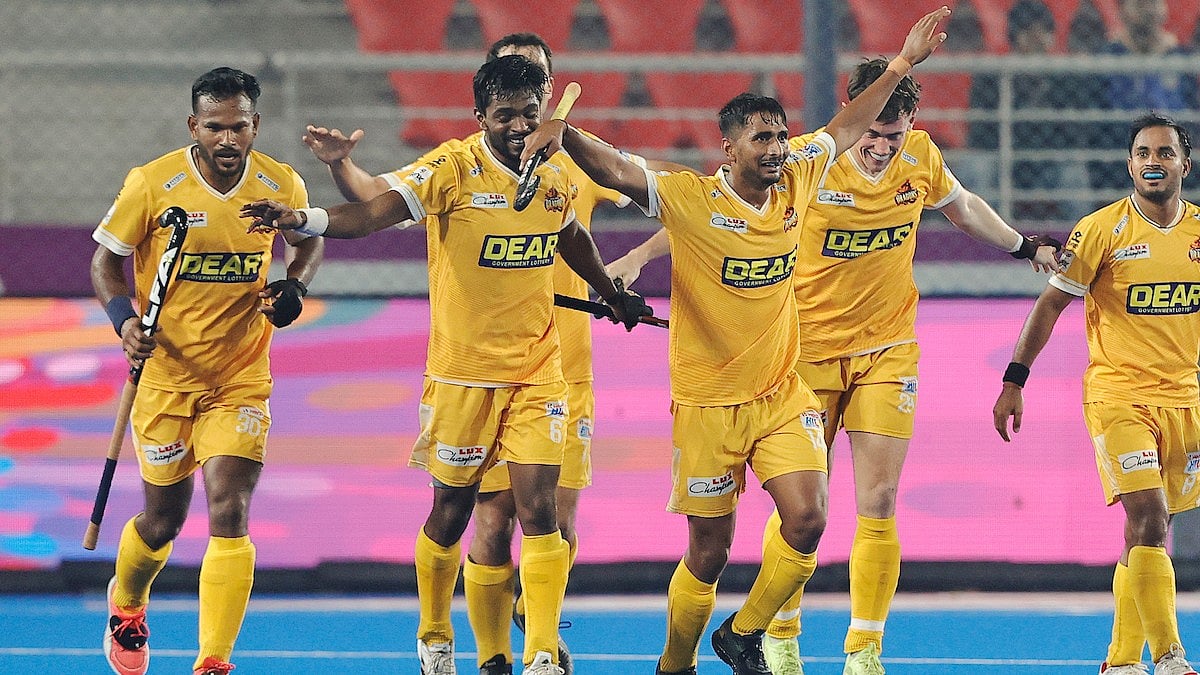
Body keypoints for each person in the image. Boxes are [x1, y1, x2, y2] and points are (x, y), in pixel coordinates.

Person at [520, 9, 952, 675]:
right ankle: (676, 661)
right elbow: (618, 169)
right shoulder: (689, 200)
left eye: (781, 135)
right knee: (709, 551)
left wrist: (899, 65)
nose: (779, 147)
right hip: (707, 404)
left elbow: (843, 127)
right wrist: (566, 132)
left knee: (809, 518)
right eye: (762, 139)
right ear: (730, 149)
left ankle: (745, 631)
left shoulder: (802, 174)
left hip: (781, 394)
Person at [609, 52, 1061, 675]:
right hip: (803, 354)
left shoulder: (922, 159)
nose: (882, 147)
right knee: (803, 508)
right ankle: (779, 636)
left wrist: (1022, 246)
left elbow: (961, 205)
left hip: (887, 349)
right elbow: (711, 215)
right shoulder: (807, 165)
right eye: (874, 132)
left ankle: (864, 652)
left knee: (878, 499)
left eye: (895, 135)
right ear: (860, 116)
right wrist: (637, 255)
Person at [242, 54, 649, 675]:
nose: (518, 126)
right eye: (504, 115)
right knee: (453, 513)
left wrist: (610, 291)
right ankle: (435, 630)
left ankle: (541, 653)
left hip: (538, 374)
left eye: (528, 114)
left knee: (541, 515)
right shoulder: (452, 170)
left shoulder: (559, 174)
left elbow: (571, 236)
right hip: (461, 380)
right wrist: (304, 218)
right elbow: (375, 213)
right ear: (479, 116)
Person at [93, 67, 324, 675]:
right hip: (166, 379)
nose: (228, 140)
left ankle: (213, 660)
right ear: (194, 126)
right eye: (215, 127)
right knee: (163, 520)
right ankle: (128, 603)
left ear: (255, 126)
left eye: (239, 127)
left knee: (230, 507)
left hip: (240, 376)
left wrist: (293, 287)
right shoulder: (153, 184)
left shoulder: (280, 182)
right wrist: (124, 324)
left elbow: (308, 241)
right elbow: (104, 265)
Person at [994, 113, 1200, 675]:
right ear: (1129, 164)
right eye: (1141, 153)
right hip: (1118, 396)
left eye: (1164, 152)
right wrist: (1015, 379)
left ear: (1185, 162)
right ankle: (1171, 655)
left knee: (1146, 531)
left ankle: (1120, 661)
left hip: (1184, 400)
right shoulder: (1101, 230)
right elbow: (1051, 305)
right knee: (1151, 516)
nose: (1152, 161)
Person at [966, 0, 1100, 222]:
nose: (1037, 39)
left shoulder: (1064, 79)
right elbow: (979, 134)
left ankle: (1083, 244)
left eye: (1044, 31)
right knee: (978, 167)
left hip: (1049, 161)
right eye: (1028, 31)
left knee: (1073, 171)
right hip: (1003, 159)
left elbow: (1075, 134)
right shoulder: (992, 77)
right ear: (1014, 36)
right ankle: (990, 240)